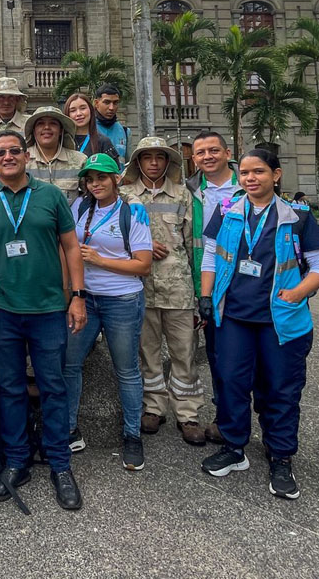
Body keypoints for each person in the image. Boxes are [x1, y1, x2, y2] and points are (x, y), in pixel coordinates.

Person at [200, 149, 319, 500]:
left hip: (280, 321)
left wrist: (298, 293)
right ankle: (234, 446)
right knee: (230, 381)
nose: (250, 178)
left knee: (280, 388)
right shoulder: (228, 211)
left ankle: (281, 454)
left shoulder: (298, 216)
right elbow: (211, 254)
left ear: (276, 175)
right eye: (244, 173)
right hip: (233, 317)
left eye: (258, 172)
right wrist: (205, 295)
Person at [0, 131, 87, 511]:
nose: (8, 157)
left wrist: (78, 297)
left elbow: (70, 246)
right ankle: (17, 460)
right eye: (0, 152)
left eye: (14, 151)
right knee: (11, 387)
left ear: (26, 156)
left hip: (50, 308)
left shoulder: (51, 196)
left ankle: (59, 463)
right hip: (3, 309)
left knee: (53, 385)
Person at [63, 153, 153, 470]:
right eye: (90, 178)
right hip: (85, 297)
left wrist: (100, 260)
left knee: (126, 370)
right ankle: (70, 429)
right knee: (70, 365)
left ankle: (132, 435)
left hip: (122, 299)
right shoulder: (79, 208)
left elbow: (143, 264)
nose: (96, 183)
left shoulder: (132, 213)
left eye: (102, 177)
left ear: (116, 178)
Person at [119, 138, 205, 446]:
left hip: (179, 288)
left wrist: (199, 292)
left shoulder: (184, 194)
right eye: (147, 158)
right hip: (140, 286)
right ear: (138, 162)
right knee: (147, 352)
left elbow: (195, 244)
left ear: (168, 162)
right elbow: (113, 235)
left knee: (185, 352)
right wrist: (139, 245)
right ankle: (153, 407)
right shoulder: (125, 195)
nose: (154, 163)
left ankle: (188, 412)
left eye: (160, 157)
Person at [186, 130, 242, 444]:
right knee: (218, 355)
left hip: (246, 284)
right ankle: (225, 418)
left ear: (226, 152)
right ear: (193, 159)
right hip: (207, 281)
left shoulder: (246, 184)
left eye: (213, 150)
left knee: (247, 359)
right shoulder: (191, 191)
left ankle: (247, 418)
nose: (207, 157)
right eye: (201, 153)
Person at [24, 106, 87, 202]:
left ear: (61, 130)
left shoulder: (79, 160)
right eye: (40, 123)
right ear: (34, 130)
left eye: (53, 123)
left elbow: (92, 194)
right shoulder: (21, 159)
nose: (46, 127)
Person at [62, 91, 118, 159]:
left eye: (83, 108)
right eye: (73, 110)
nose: (79, 113)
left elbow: (113, 168)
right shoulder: (61, 142)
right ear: (67, 114)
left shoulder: (103, 142)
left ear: (91, 110)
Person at [92, 85, 130, 165]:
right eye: (107, 102)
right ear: (96, 103)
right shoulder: (87, 129)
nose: (111, 108)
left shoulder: (125, 132)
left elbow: (129, 164)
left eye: (115, 103)